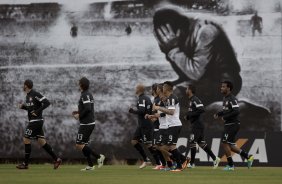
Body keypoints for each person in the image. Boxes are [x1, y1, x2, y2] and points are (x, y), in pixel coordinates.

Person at [153, 6, 242, 105]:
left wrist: (172, 50)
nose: (164, 39)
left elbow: (195, 73)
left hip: (224, 81)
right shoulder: (176, 37)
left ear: (178, 31)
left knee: (172, 96)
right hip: (201, 80)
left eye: (164, 34)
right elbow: (185, 74)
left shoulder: (206, 31)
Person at [17, 79, 62, 169]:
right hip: (35, 121)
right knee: (42, 142)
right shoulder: (28, 96)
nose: (23, 86)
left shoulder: (35, 94)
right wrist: (24, 107)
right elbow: (31, 109)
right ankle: (56, 159)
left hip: (36, 121)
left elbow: (47, 103)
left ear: (26, 85)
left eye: (24, 85)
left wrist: (37, 112)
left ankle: (25, 164)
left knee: (26, 138)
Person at [213, 81, 254, 171]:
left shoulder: (232, 98)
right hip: (229, 124)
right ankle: (248, 156)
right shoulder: (225, 98)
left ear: (228, 88)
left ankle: (231, 166)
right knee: (230, 146)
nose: (221, 88)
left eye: (223, 87)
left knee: (224, 143)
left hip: (232, 124)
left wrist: (225, 117)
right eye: (221, 86)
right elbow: (226, 110)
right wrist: (219, 114)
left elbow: (236, 111)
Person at [153, 81, 189, 172]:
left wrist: (158, 108)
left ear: (167, 88)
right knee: (166, 147)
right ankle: (180, 162)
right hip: (171, 125)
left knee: (169, 147)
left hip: (174, 125)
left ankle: (179, 165)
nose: (162, 89)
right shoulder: (169, 98)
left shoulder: (172, 98)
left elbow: (171, 112)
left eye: (163, 87)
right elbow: (167, 110)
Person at [72, 77, 105, 171]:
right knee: (84, 145)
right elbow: (86, 108)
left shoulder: (85, 95)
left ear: (81, 85)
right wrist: (78, 112)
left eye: (79, 83)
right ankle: (90, 166)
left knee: (79, 145)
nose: (78, 85)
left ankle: (99, 157)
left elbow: (88, 108)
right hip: (87, 122)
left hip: (87, 124)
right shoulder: (86, 94)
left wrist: (79, 115)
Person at [185, 84, 221, 169]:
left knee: (192, 142)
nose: (185, 90)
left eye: (186, 89)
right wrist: (189, 116)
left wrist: (189, 115)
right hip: (196, 124)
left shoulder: (195, 99)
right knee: (201, 143)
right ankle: (215, 158)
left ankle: (192, 163)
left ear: (190, 90)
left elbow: (202, 109)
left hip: (197, 125)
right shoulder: (191, 100)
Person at [129, 84, 159, 169]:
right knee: (134, 141)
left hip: (146, 125)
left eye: (136, 88)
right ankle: (146, 160)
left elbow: (142, 111)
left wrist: (133, 111)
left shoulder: (142, 98)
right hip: (141, 125)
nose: (135, 89)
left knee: (148, 144)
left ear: (139, 89)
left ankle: (159, 162)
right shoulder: (146, 98)